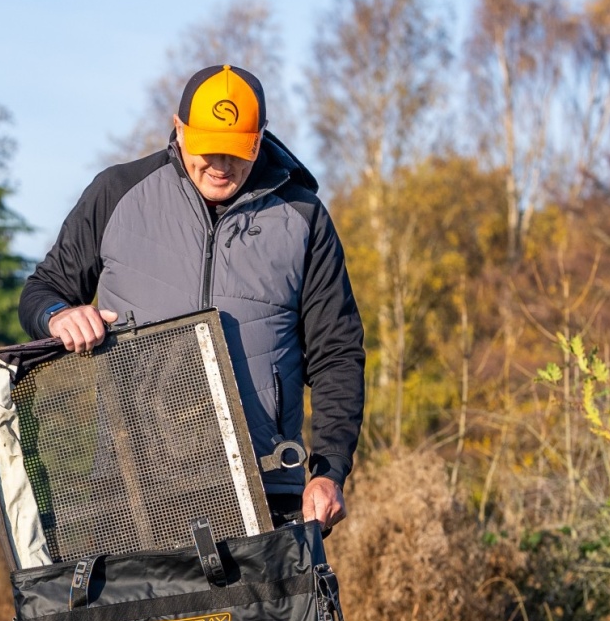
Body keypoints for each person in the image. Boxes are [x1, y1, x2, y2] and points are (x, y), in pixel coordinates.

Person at [19, 64, 365, 532]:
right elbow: (41, 292)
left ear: (261, 138)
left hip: (265, 489)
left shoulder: (304, 217)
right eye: (208, 150)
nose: (221, 167)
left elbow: (337, 355)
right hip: (132, 489)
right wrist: (58, 316)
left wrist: (328, 472)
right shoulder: (117, 193)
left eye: (237, 152)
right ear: (179, 129)